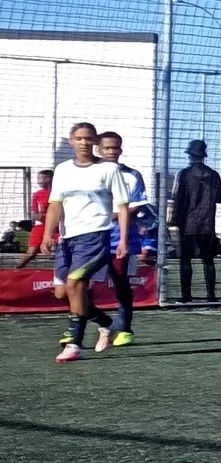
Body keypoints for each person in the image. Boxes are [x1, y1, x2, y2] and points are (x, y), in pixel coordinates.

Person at [41, 125, 130, 364]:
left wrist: (123, 239)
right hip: (67, 239)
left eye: (88, 139)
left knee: (75, 283)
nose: (83, 143)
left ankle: (74, 344)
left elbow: (122, 207)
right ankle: (106, 323)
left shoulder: (109, 169)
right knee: (63, 293)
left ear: (94, 142)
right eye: (79, 138)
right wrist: (47, 235)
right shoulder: (62, 170)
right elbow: (55, 203)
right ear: (71, 141)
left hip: (95, 236)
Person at [90, 131, 148, 346]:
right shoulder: (88, 174)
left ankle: (124, 328)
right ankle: (96, 324)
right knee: (81, 286)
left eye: (116, 148)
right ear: (98, 149)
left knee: (121, 282)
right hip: (92, 238)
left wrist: (110, 216)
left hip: (121, 239)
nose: (112, 152)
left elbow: (134, 207)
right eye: (107, 148)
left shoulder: (133, 175)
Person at [170, 140, 221, 303]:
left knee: (185, 259)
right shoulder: (213, 174)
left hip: (188, 223)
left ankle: (186, 295)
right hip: (208, 224)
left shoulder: (184, 174)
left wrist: (174, 220)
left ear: (190, 156)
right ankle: (211, 295)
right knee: (208, 259)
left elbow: (179, 198)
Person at [17, 168, 51, 267]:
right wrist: (40, 217)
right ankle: (14, 271)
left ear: (50, 178)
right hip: (41, 227)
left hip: (57, 227)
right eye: (39, 178)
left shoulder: (57, 193)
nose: (40, 181)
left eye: (43, 178)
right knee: (30, 253)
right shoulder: (37, 194)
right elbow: (35, 213)